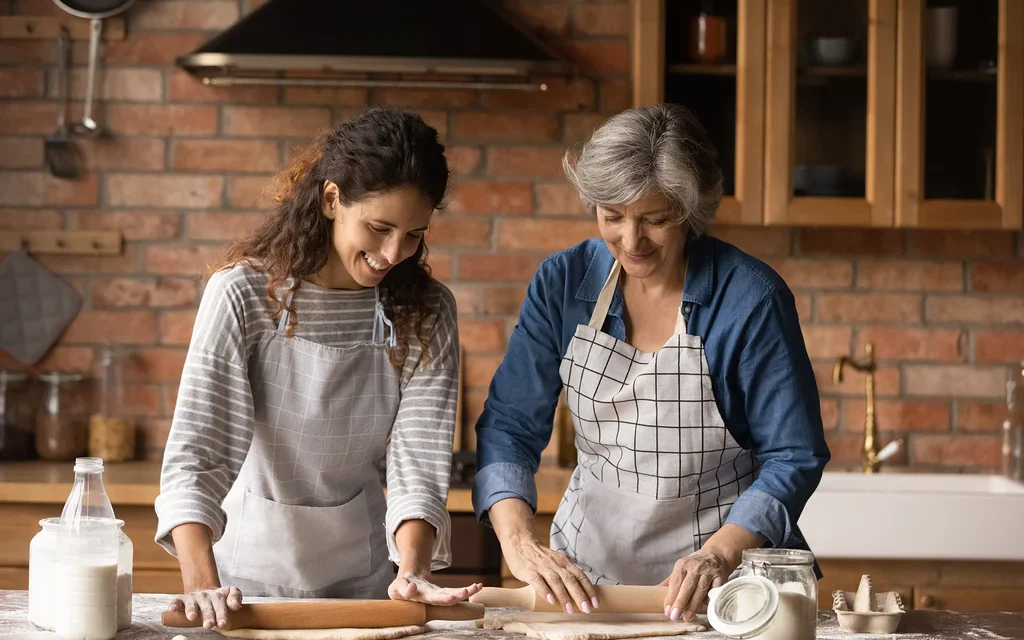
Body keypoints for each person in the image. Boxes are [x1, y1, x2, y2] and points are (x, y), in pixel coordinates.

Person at [472, 103, 830, 622]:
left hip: (724, 591)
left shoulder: (751, 300)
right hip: (585, 586)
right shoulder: (563, 283)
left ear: (689, 212)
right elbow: (509, 426)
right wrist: (519, 541)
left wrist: (717, 554)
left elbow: (793, 456)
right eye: (612, 216)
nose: (631, 241)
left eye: (655, 220)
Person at [154, 107, 481, 630]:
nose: (393, 254)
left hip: (366, 590)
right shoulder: (243, 295)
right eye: (378, 228)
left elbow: (418, 456)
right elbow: (197, 454)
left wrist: (413, 569)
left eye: (414, 234)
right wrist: (201, 587)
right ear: (332, 200)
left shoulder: (426, 310)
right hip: (242, 591)